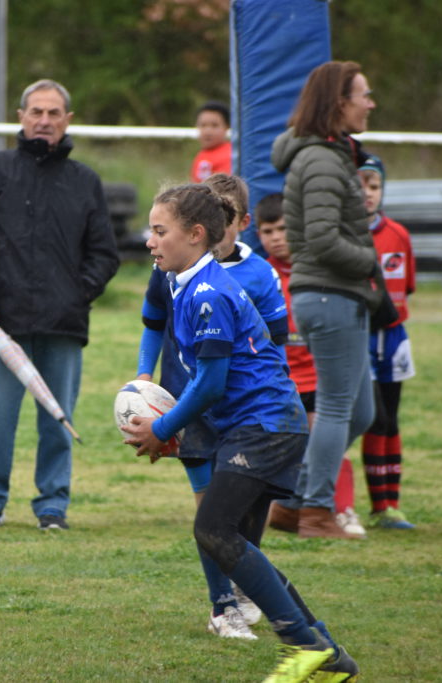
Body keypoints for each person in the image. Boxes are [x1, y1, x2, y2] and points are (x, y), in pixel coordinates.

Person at [124, 184, 358, 683]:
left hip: (265, 426)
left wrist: (161, 428)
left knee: (213, 530)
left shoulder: (210, 294)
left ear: (195, 234)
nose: (150, 241)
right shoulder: (182, 282)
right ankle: (328, 653)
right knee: (229, 540)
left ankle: (305, 643)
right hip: (253, 426)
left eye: (160, 231)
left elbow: (210, 384)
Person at [0, 79, 119, 531]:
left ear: (67, 119)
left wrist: (75, 293)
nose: (44, 121)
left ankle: (53, 505)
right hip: (2, 322)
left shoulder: (85, 181)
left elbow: (104, 254)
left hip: (63, 323)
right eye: (36, 112)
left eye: (53, 113)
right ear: (21, 117)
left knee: (57, 415)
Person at [137, 172, 286, 640]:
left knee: (238, 514)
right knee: (210, 512)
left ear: (237, 221)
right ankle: (223, 605)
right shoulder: (168, 269)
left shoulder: (252, 276)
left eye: (222, 210)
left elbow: (274, 342)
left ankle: (253, 592)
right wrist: (145, 376)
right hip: (191, 404)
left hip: (241, 409)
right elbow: (153, 323)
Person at [269, 60, 381, 539]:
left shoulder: (330, 155)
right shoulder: (318, 160)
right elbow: (317, 240)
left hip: (335, 294)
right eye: (364, 95)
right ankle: (315, 511)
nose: (370, 104)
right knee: (338, 406)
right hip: (330, 294)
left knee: (360, 412)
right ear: (340, 103)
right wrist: (369, 261)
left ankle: (292, 499)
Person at [256, 194, 367, 538]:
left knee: (332, 438)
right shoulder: (261, 275)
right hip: (284, 383)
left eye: (283, 228)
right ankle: (289, 505)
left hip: (317, 379)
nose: (275, 237)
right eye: (267, 230)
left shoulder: (317, 272)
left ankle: (341, 509)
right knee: (298, 449)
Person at [357, 154, 418, 530]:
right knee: (371, 419)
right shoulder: (344, 238)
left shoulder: (399, 235)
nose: (367, 193)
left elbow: (406, 287)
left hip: (392, 338)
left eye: (374, 185)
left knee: (390, 419)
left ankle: (387, 506)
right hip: (357, 337)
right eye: (360, 184)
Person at [190, 102, 232, 183]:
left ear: (226, 127)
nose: (208, 131)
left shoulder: (230, 155)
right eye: (203, 125)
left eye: (214, 125)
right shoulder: (201, 155)